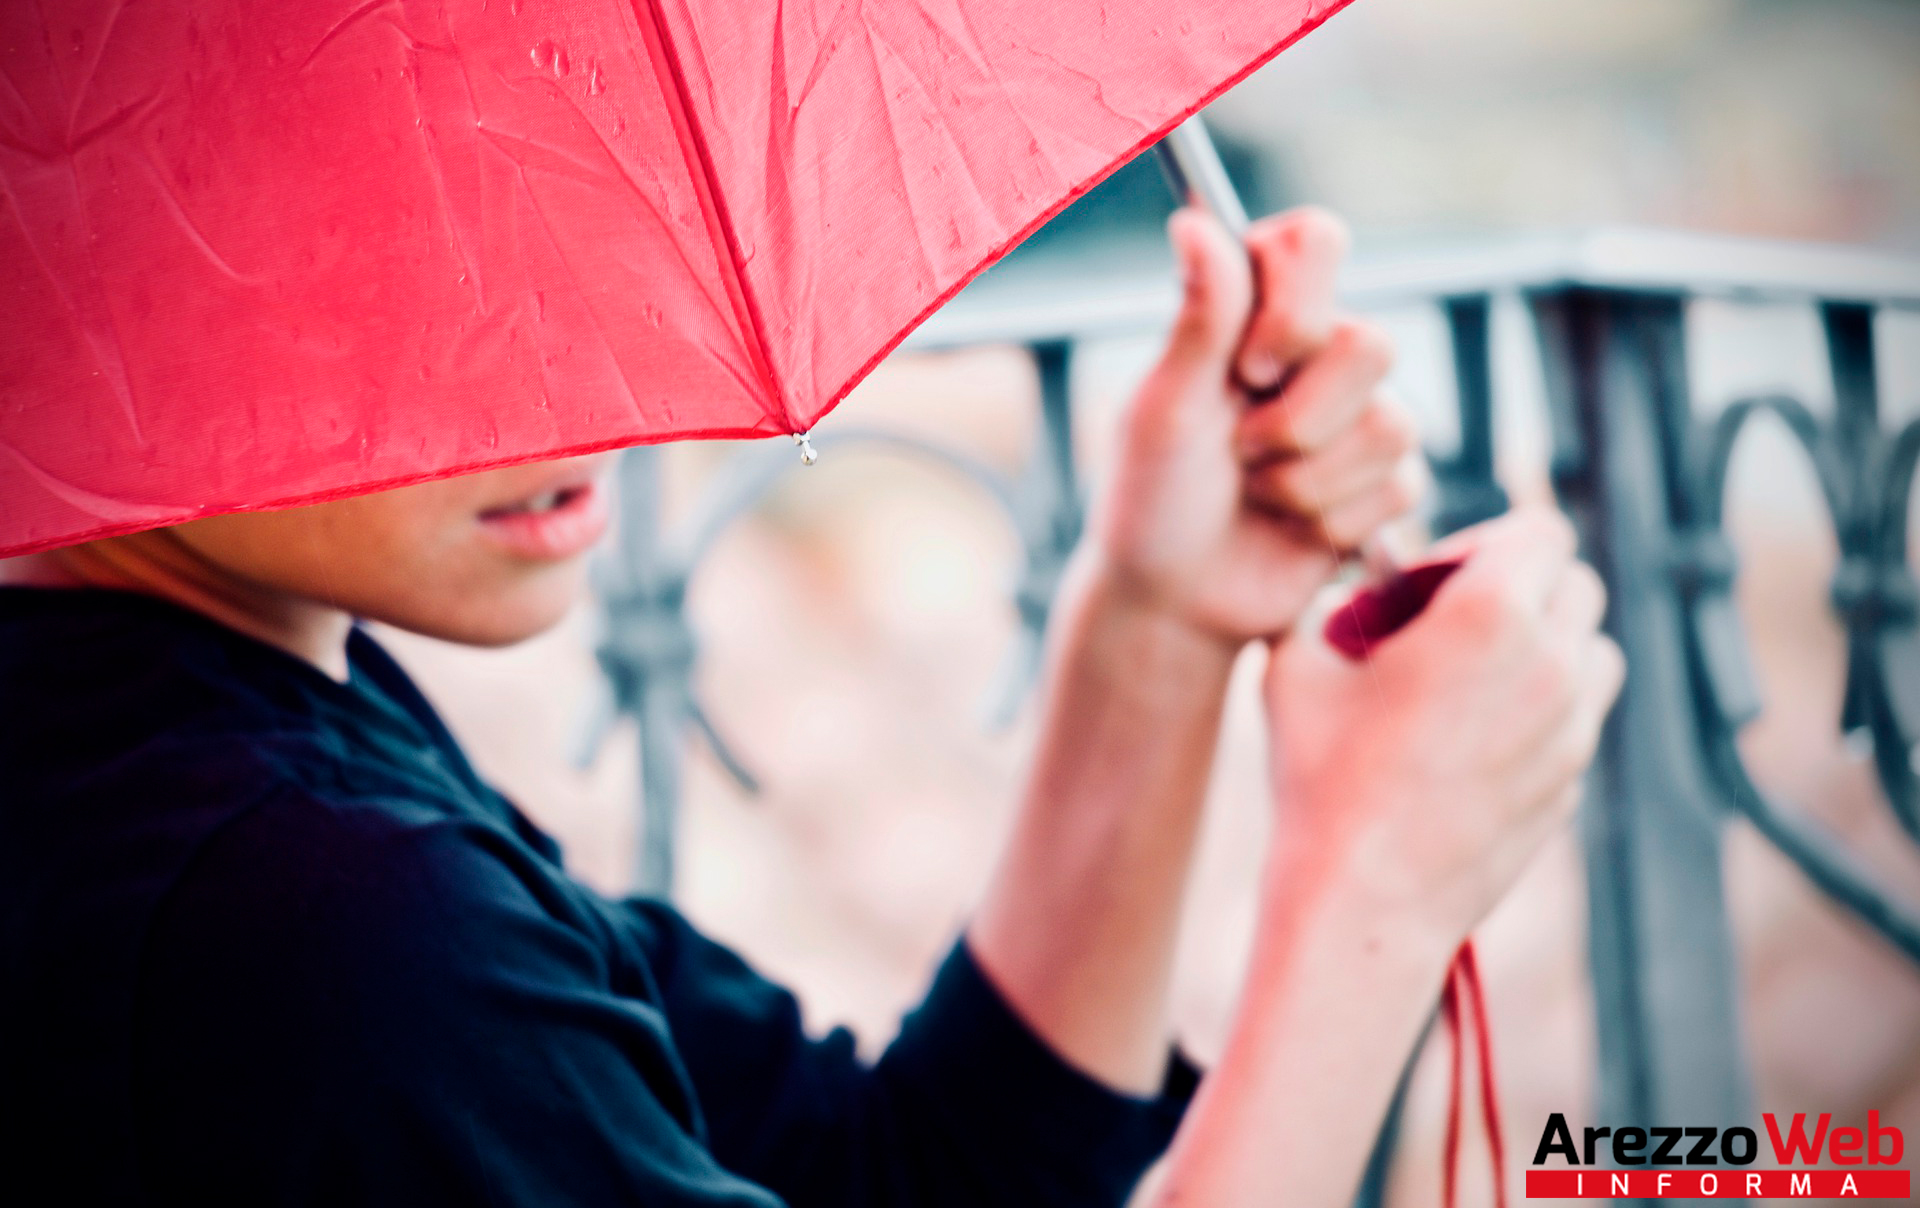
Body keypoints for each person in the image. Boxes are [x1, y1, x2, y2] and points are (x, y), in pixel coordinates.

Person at [0, 207, 1623, 1207]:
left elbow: (906, 1180)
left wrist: (1158, 618)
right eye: (403, 248)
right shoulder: (299, 924)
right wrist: (1376, 902)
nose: (584, 358)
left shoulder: (205, 717)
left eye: (572, 197)